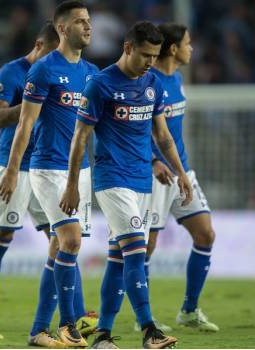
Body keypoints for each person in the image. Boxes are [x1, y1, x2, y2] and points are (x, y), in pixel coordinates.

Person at [63, 21, 189, 349]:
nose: (150, 62)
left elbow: (162, 135)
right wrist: (73, 185)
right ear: (128, 47)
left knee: (119, 258)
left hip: (142, 182)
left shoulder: (151, 83)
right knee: (136, 253)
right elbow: (80, 137)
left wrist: (182, 173)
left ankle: (102, 336)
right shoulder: (100, 85)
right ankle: (150, 331)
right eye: (145, 54)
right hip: (112, 179)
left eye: (155, 55)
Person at [0, 1, 98, 347]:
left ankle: (39, 331)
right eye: (80, 21)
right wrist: (12, 171)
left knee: (58, 248)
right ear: (61, 28)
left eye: (89, 20)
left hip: (80, 171)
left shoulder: (91, 73)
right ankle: (69, 325)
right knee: (71, 240)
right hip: (46, 168)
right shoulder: (43, 70)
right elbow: (24, 125)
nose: (87, 26)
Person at [0, 20, 58, 342]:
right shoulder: (11, 72)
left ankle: (74, 315)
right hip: (13, 167)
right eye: (49, 54)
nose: (52, 61)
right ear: (38, 46)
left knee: (62, 238)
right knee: (1, 237)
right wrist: (32, 105)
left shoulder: (60, 73)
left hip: (44, 167)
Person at [143, 23, 218, 332]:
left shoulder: (177, 78)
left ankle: (189, 310)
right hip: (154, 176)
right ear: (173, 48)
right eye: (188, 43)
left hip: (181, 171)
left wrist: (179, 169)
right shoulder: (148, 82)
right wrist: (151, 163)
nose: (192, 48)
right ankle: (143, 318)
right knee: (146, 247)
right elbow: (133, 128)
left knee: (205, 234)